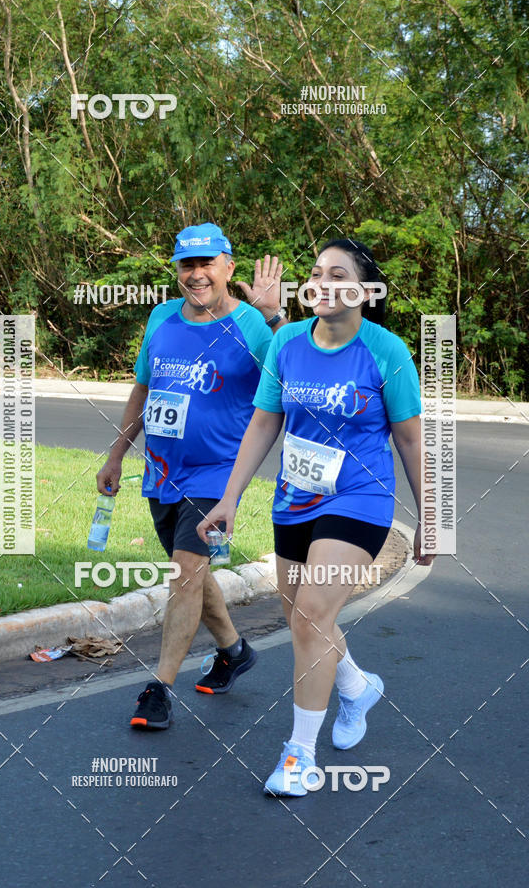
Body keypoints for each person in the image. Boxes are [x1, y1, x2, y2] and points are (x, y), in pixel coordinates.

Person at [198, 238, 435, 795]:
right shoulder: (285, 342)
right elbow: (262, 426)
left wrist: (434, 515)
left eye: (337, 274)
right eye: (315, 273)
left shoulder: (387, 351)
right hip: (295, 500)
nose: (321, 282)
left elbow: (410, 439)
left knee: (309, 615)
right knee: (306, 621)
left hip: (360, 498)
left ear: (363, 289)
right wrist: (229, 499)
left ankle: (299, 755)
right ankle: (356, 686)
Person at [96, 222, 287, 730]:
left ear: (228, 267)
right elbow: (143, 391)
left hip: (218, 477)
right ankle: (234, 650)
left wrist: (273, 317)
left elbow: (290, 374)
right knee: (195, 578)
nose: (197, 274)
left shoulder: (252, 326)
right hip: (161, 473)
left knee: (184, 576)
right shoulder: (161, 317)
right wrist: (116, 455)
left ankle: (158, 689)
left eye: (207, 264)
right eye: (187, 265)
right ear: (178, 270)